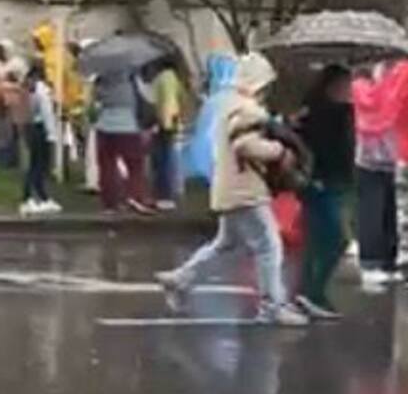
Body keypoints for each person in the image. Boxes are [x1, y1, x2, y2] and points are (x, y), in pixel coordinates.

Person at [157, 53, 308, 326]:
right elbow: (245, 145)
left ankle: (182, 278)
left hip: (228, 187)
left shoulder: (226, 106)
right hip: (246, 190)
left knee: (226, 243)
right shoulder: (247, 110)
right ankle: (271, 306)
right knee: (269, 247)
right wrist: (279, 152)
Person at [294, 64, 355, 319]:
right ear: (332, 85)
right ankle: (313, 292)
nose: (349, 89)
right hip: (320, 182)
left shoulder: (314, 111)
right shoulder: (329, 113)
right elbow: (326, 150)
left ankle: (305, 292)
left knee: (316, 240)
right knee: (336, 239)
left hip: (323, 182)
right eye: (345, 85)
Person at [353, 63, 408, 285]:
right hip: (395, 153)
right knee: (391, 211)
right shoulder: (400, 74)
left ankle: (380, 260)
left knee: (385, 210)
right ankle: (388, 259)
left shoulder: (385, 81)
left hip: (388, 155)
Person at [94, 70, 154, 214]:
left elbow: (97, 100)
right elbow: (147, 97)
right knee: (135, 165)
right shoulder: (133, 77)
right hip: (129, 126)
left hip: (105, 126)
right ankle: (134, 196)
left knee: (107, 167)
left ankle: (110, 204)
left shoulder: (102, 79)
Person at [21, 61, 61, 215]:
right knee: (40, 165)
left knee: (34, 164)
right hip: (40, 129)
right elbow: (47, 113)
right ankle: (32, 197)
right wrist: (52, 134)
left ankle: (38, 196)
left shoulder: (28, 87)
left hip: (30, 126)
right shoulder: (42, 90)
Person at [150, 56, 184, 210]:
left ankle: (164, 196)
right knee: (170, 157)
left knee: (161, 161)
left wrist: (162, 122)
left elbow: (161, 102)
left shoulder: (161, 79)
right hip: (173, 121)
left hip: (163, 123)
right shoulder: (175, 78)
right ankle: (173, 190)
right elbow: (180, 99)